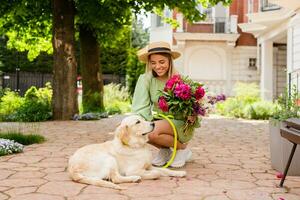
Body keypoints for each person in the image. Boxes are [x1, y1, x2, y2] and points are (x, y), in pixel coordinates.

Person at [131, 41, 196, 168]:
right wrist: (139, 122)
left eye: (162, 62)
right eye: (153, 63)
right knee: (142, 130)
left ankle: (182, 149)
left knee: (152, 132)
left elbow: (193, 105)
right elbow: (140, 107)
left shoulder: (180, 80)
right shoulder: (145, 79)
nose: (158, 66)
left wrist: (191, 113)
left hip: (180, 122)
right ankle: (165, 151)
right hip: (160, 120)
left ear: (169, 61)